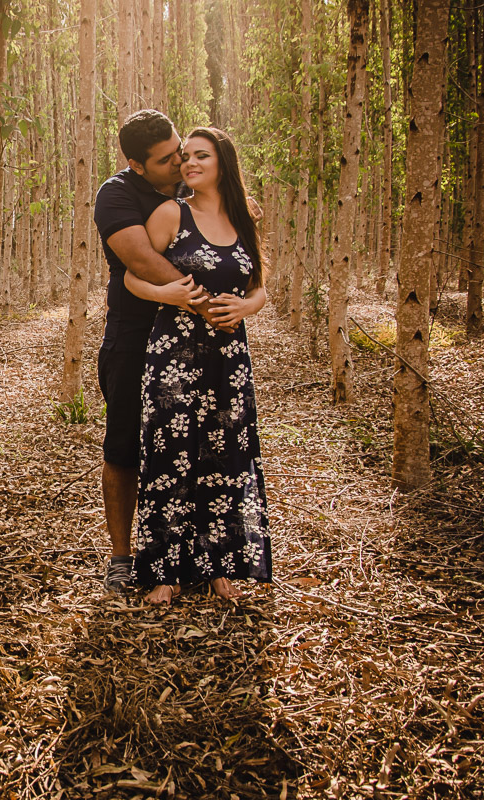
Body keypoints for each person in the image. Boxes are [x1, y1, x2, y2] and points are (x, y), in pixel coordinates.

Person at [122, 126, 272, 604]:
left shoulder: (246, 217)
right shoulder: (173, 213)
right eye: (186, 156)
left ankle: (218, 567)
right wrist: (165, 292)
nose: (189, 164)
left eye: (201, 156)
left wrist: (249, 307)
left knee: (223, 457)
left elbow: (260, 286)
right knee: (171, 456)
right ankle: (163, 572)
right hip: (176, 356)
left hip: (229, 359)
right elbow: (132, 275)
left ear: (223, 162)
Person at [93, 110, 228, 593]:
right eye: (167, 159)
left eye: (180, 150)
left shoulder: (192, 183)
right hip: (134, 336)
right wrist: (203, 299)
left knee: (200, 445)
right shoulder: (117, 194)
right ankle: (122, 557)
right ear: (136, 163)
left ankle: (197, 556)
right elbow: (140, 259)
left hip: (196, 341)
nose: (179, 163)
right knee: (125, 446)